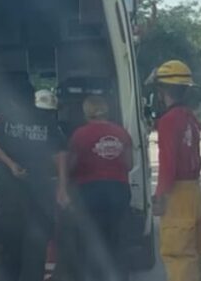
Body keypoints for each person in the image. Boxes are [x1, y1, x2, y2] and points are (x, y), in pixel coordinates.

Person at [0, 85, 68, 281]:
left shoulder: (5, 118)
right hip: (39, 193)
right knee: (36, 248)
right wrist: (62, 188)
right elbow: (61, 154)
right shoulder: (46, 120)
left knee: (9, 246)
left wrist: (9, 163)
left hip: (10, 195)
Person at [148, 60, 201, 281]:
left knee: (178, 255)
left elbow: (168, 164)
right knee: (195, 255)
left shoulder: (168, 120)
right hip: (194, 192)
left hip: (178, 194)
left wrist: (160, 194)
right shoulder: (190, 117)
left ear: (162, 90)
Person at [65, 95, 134, 281]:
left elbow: (71, 166)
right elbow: (129, 164)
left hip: (90, 192)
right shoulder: (121, 133)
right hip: (118, 190)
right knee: (118, 242)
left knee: (91, 242)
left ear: (86, 112)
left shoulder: (79, 135)